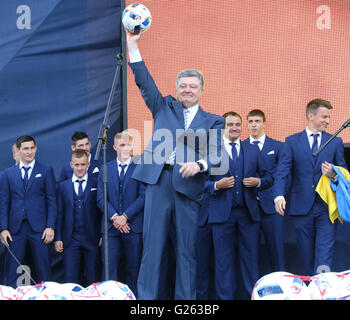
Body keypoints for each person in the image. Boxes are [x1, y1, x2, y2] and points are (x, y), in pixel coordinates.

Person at [126, 30, 225, 300]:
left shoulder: (214, 121)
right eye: (183, 86)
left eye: (193, 86)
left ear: (201, 90)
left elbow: (218, 155)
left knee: (187, 252)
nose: (187, 90)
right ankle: (145, 301)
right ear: (178, 88)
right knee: (152, 248)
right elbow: (143, 81)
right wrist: (132, 45)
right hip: (158, 183)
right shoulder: (163, 107)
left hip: (188, 188)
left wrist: (199, 164)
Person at [274, 98, 347, 276]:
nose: (328, 121)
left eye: (329, 117)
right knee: (306, 255)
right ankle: (313, 286)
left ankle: (321, 288)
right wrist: (279, 195)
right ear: (310, 116)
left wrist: (334, 175)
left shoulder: (335, 142)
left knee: (324, 255)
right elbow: (282, 172)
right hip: (301, 207)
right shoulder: (292, 141)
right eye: (324, 117)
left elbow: (345, 174)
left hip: (326, 208)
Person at [208, 111, 273, 300]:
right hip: (221, 215)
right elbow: (198, 183)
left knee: (250, 261)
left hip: (248, 214)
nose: (234, 128)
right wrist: (216, 185)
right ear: (222, 128)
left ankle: (250, 297)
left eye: (237, 124)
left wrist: (258, 182)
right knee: (223, 263)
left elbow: (269, 177)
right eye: (230, 125)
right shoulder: (212, 151)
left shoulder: (252, 149)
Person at [0, 135, 57, 287]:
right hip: (15, 230)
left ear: (36, 149)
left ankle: (47, 296)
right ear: (18, 151)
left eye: (32, 148)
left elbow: (52, 201)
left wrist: (50, 226)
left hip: (40, 229)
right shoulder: (7, 174)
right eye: (25, 148)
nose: (29, 151)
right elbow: (4, 203)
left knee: (44, 271)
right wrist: (3, 228)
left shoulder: (46, 171)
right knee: (12, 270)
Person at [97, 130, 145, 297]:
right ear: (115, 147)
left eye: (129, 145)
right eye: (122, 145)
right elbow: (101, 198)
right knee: (109, 269)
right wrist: (115, 218)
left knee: (134, 268)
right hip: (111, 229)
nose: (126, 148)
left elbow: (143, 196)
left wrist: (125, 217)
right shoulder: (105, 168)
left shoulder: (140, 167)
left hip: (133, 227)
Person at [245, 109, 285, 272]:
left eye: (257, 121)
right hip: (247, 208)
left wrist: (277, 197)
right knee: (249, 253)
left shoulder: (278, 146)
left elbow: (281, 175)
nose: (254, 125)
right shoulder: (240, 146)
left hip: (271, 207)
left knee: (277, 251)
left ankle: (283, 289)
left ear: (264, 123)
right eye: (251, 121)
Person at [54, 149, 102, 285]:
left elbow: (101, 211)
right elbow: (59, 213)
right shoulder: (63, 187)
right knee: (71, 278)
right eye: (77, 165)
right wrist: (58, 238)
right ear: (71, 165)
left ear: (88, 164)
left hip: (92, 238)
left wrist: (102, 234)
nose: (80, 168)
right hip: (71, 239)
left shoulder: (96, 183)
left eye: (82, 164)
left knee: (93, 277)